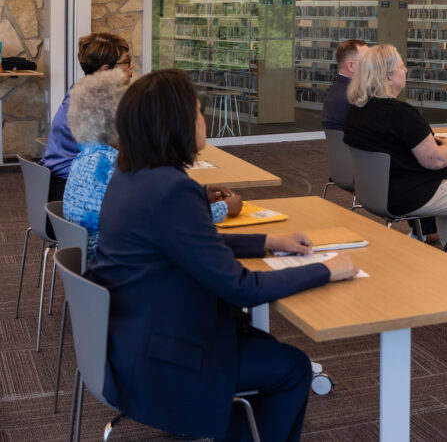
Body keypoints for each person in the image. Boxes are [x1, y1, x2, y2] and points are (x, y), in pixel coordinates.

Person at [89, 69, 358, 441]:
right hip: (165, 357)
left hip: (130, 339)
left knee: (264, 348)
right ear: (176, 122)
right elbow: (241, 287)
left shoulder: (132, 175)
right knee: (293, 366)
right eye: (197, 111)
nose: (203, 119)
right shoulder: (171, 190)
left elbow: (182, 245)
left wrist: (267, 242)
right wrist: (325, 270)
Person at [343, 44, 447, 275]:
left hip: (378, 192)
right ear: (388, 76)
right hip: (413, 193)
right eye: (402, 67)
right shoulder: (399, 113)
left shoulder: (356, 112)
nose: (406, 71)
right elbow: (436, 161)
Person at [63, 70, 242, 264]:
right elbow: (161, 222)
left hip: (89, 272)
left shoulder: (86, 158)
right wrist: (222, 208)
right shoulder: (113, 168)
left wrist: (197, 198)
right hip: (118, 269)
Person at [41, 32, 132, 202]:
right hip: (73, 189)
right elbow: (121, 150)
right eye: (126, 62)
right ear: (105, 70)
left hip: (63, 182)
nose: (131, 66)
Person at [322, 38, 368, 131]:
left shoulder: (335, 91)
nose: (372, 65)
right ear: (351, 66)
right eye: (367, 61)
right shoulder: (355, 97)